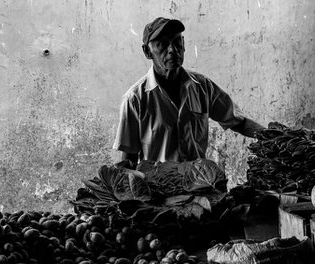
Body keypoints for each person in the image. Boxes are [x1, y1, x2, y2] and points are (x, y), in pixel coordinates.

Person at [113, 17, 265, 167]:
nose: (172, 50)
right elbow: (128, 160)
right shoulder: (135, 99)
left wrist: (275, 136)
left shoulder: (203, 86)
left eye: (177, 42)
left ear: (184, 44)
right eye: (163, 45)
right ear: (147, 52)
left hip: (198, 185)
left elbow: (239, 122)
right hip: (159, 188)